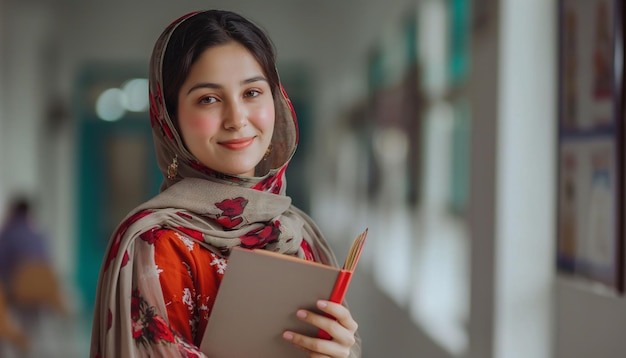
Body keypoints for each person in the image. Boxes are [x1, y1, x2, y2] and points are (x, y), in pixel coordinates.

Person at [90, 9, 362, 357]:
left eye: (252, 92)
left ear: (276, 100)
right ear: (170, 119)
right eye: (208, 99)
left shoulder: (297, 232)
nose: (236, 119)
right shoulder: (158, 242)